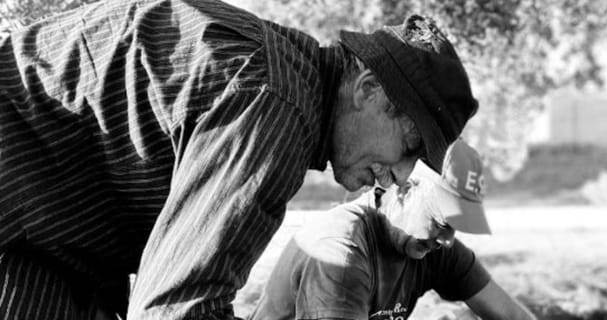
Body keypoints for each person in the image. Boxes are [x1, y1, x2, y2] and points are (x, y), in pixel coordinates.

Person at [0, 0, 479, 317]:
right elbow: (179, 308)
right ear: (368, 90)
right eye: (409, 147)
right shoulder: (279, 108)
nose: (399, 177)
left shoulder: (286, 81)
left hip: (54, 247)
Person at [250, 140, 536, 320]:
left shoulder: (431, 245)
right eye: (443, 223)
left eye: (457, 227)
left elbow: (512, 315)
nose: (448, 240)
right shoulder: (340, 252)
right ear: (404, 190)